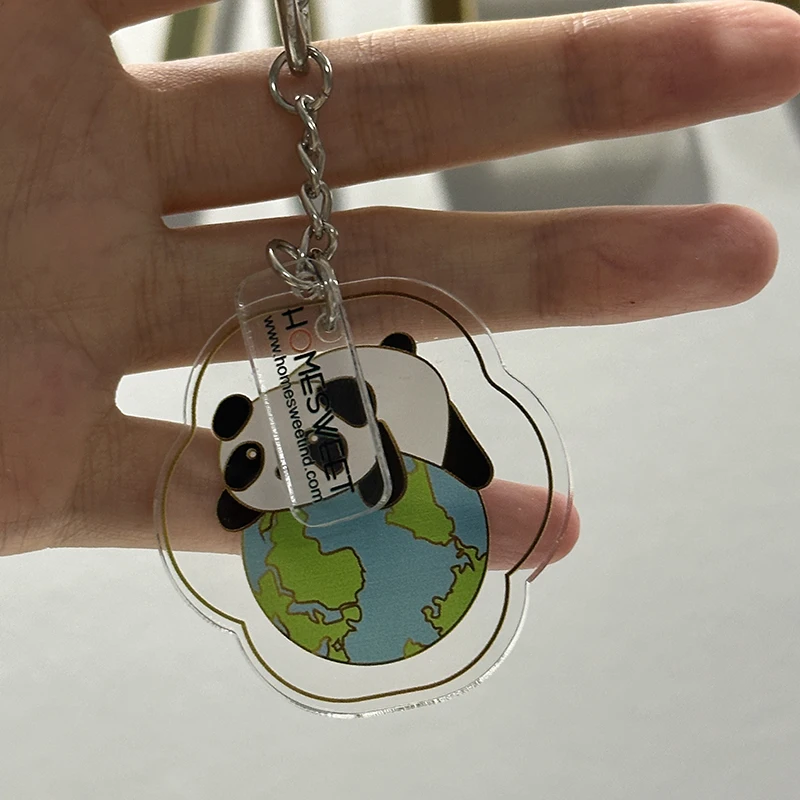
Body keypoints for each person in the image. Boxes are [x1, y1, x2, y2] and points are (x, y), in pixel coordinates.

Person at [1, 0, 798, 562]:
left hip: (378, 397)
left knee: (441, 443)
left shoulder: (318, 420)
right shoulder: (269, 444)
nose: (253, 484)